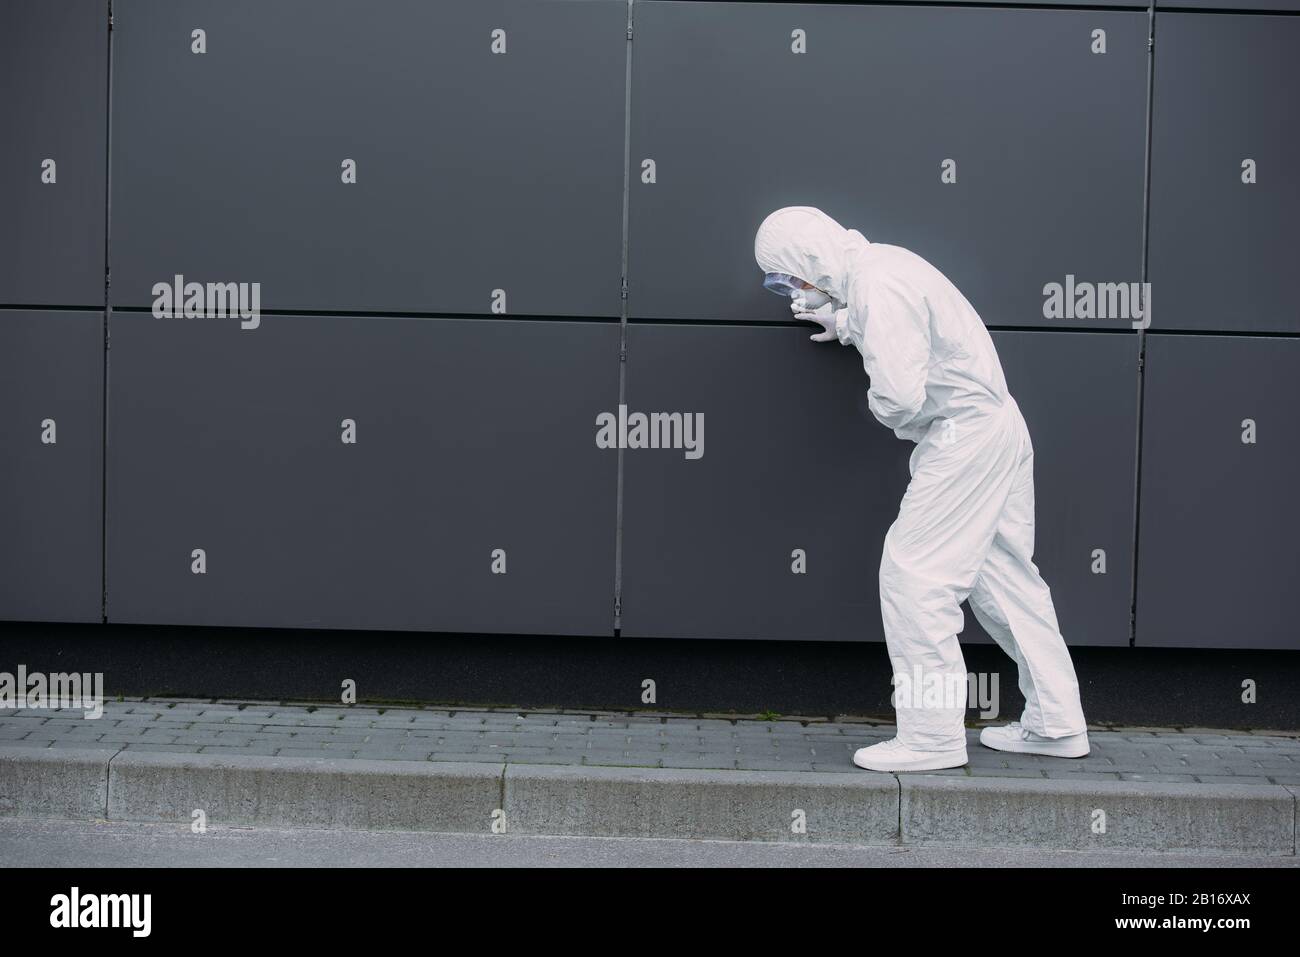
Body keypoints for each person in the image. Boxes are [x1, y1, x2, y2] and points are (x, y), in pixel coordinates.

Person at [754, 206, 1090, 772]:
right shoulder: (885, 269)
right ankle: (1056, 723)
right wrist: (846, 323)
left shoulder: (876, 285)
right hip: (996, 428)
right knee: (1006, 582)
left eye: (785, 274)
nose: (791, 287)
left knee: (915, 578)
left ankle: (931, 737)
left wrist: (875, 385)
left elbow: (901, 395)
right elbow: (916, 334)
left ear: (803, 257)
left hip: (962, 438)